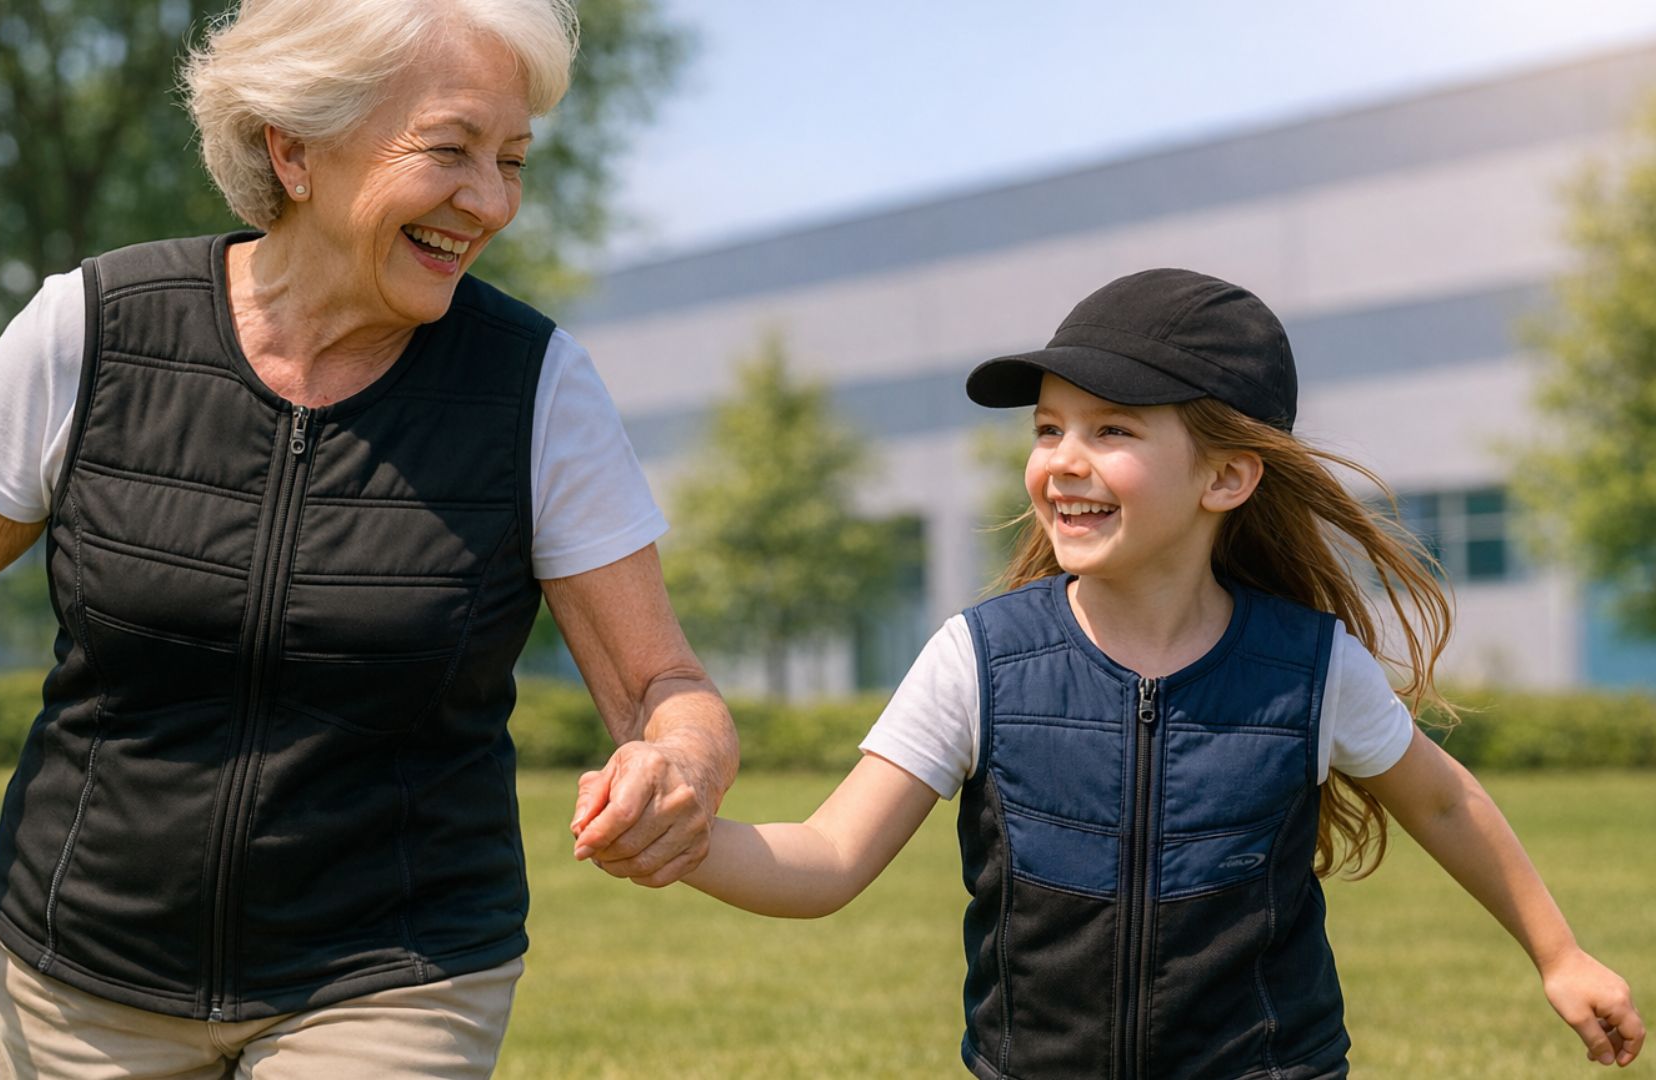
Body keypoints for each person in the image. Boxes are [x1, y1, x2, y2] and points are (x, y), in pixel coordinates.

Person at [0, 1, 736, 1075]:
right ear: (293, 151)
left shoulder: (537, 388)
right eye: (449, 150)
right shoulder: (93, 327)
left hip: (397, 966)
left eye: (512, 160)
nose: (490, 202)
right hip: (78, 970)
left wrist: (680, 763)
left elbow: (663, 685)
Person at [586, 268, 1648, 1077]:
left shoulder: (1310, 668)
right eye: (1049, 428)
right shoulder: (979, 659)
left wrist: (1560, 954)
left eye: (1112, 430)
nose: (1063, 459)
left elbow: (1446, 802)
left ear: (1226, 476)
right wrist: (686, 840)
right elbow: (826, 858)